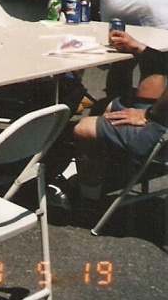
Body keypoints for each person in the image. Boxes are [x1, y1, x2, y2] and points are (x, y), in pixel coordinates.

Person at [68, 30, 166, 210]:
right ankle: (99, 173)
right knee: (102, 107)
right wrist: (140, 48)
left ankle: (89, 204)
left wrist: (149, 115)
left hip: (163, 128)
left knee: (83, 129)